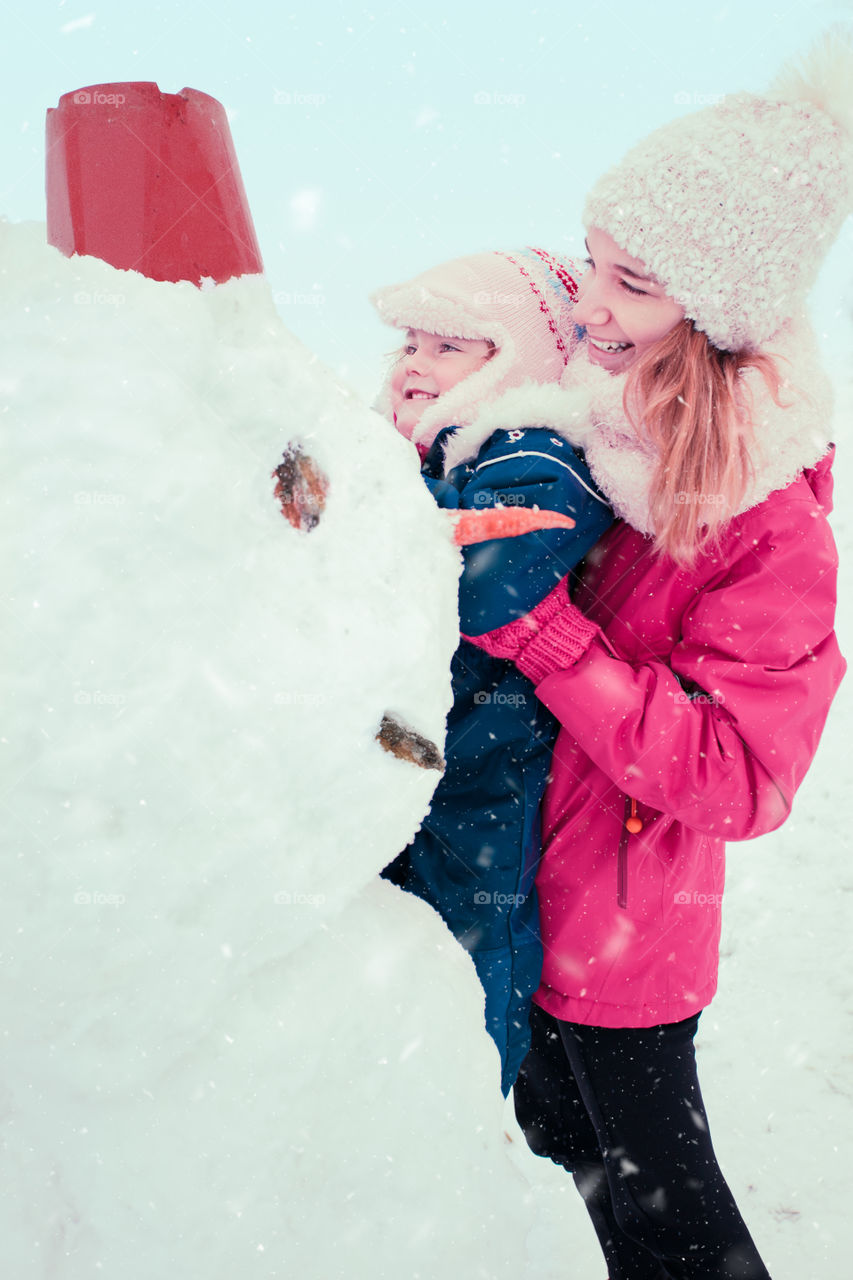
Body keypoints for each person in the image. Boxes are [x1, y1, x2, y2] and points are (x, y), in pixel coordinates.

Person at [465, 32, 850, 1279]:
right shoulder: (591, 443)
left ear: (717, 310)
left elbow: (741, 774)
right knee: (568, 1150)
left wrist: (547, 635)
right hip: (520, 904)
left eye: (630, 283)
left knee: (668, 1219)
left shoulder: (767, 521)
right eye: (594, 263)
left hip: (626, 942)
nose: (590, 303)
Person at [371, 249, 614, 1094]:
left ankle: (472, 1112)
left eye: (450, 348)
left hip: (482, 779)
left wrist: (363, 505)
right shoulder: (425, 461)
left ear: (518, 358)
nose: (414, 363)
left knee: (468, 961)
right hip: (408, 763)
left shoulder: (538, 450)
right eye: (409, 342)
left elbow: (495, 576)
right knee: (382, 956)